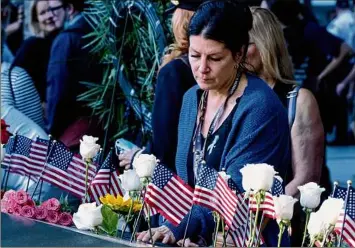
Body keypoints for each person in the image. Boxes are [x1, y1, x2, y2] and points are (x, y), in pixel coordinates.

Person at [137, 1, 291, 246]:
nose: (202, 68)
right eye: (195, 55)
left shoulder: (261, 108)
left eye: (215, 58)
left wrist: (181, 228)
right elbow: (187, 182)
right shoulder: (191, 98)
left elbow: (235, 190)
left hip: (243, 240)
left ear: (239, 54)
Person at [246, 7, 324, 246]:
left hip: (278, 231)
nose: (236, 53)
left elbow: (305, 178)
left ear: (264, 45)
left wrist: (257, 219)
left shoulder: (298, 101)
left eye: (245, 44)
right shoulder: (232, 98)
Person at [118, 0, 200, 171]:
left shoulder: (173, 72)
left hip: (176, 179)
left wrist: (138, 157)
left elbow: (164, 145)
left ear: (180, 22)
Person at [269, 0, 354, 145]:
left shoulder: (310, 30)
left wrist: (321, 75)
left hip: (308, 90)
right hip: (295, 90)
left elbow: (346, 50)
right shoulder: (286, 32)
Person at [45, 0, 103, 146]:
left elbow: (57, 88)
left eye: (53, 10)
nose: (50, 15)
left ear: (70, 8)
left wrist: (51, 129)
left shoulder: (65, 39)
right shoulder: (98, 33)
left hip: (71, 131)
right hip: (97, 125)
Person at [11, 0, 66, 103]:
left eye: (51, 10)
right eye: (42, 13)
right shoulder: (31, 46)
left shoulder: (67, 42)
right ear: (37, 20)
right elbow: (13, 79)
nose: (49, 15)